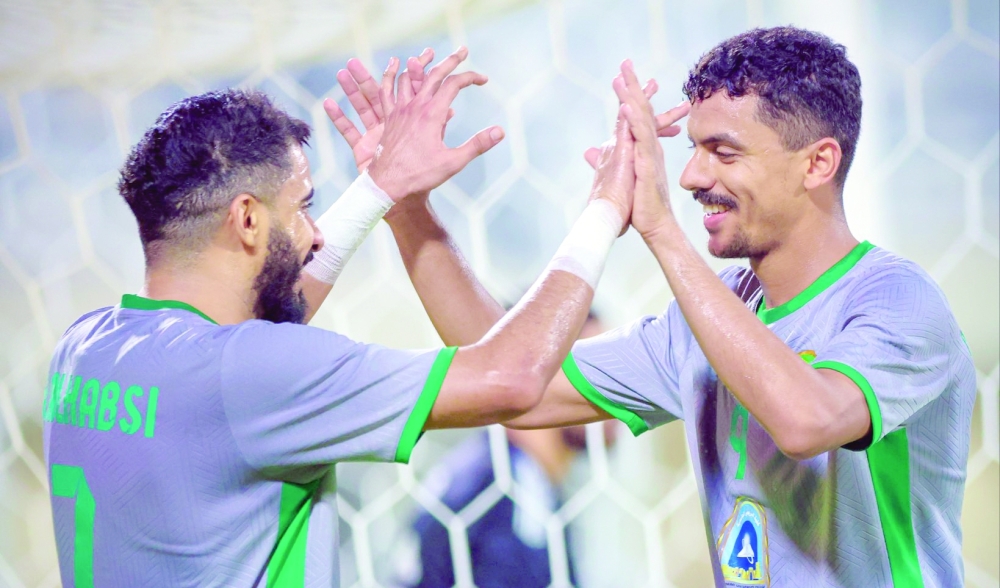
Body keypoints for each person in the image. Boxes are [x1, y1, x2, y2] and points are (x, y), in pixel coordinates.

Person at [334, 28, 976, 587]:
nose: (692, 175)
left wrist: (662, 230)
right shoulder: (704, 318)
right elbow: (510, 376)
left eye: (723, 152)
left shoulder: (895, 300)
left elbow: (808, 419)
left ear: (817, 163)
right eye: (690, 148)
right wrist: (405, 205)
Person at [41, 47, 641, 587]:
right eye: (301, 208)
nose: (315, 234)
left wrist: (383, 188)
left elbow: (250, 339)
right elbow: (510, 379)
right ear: (247, 220)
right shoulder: (256, 373)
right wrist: (605, 210)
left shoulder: (84, 348)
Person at [404, 314, 615, 588]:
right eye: (595, 368)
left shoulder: (522, 478)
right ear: (539, 373)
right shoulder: (499, 491)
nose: (616, 388)